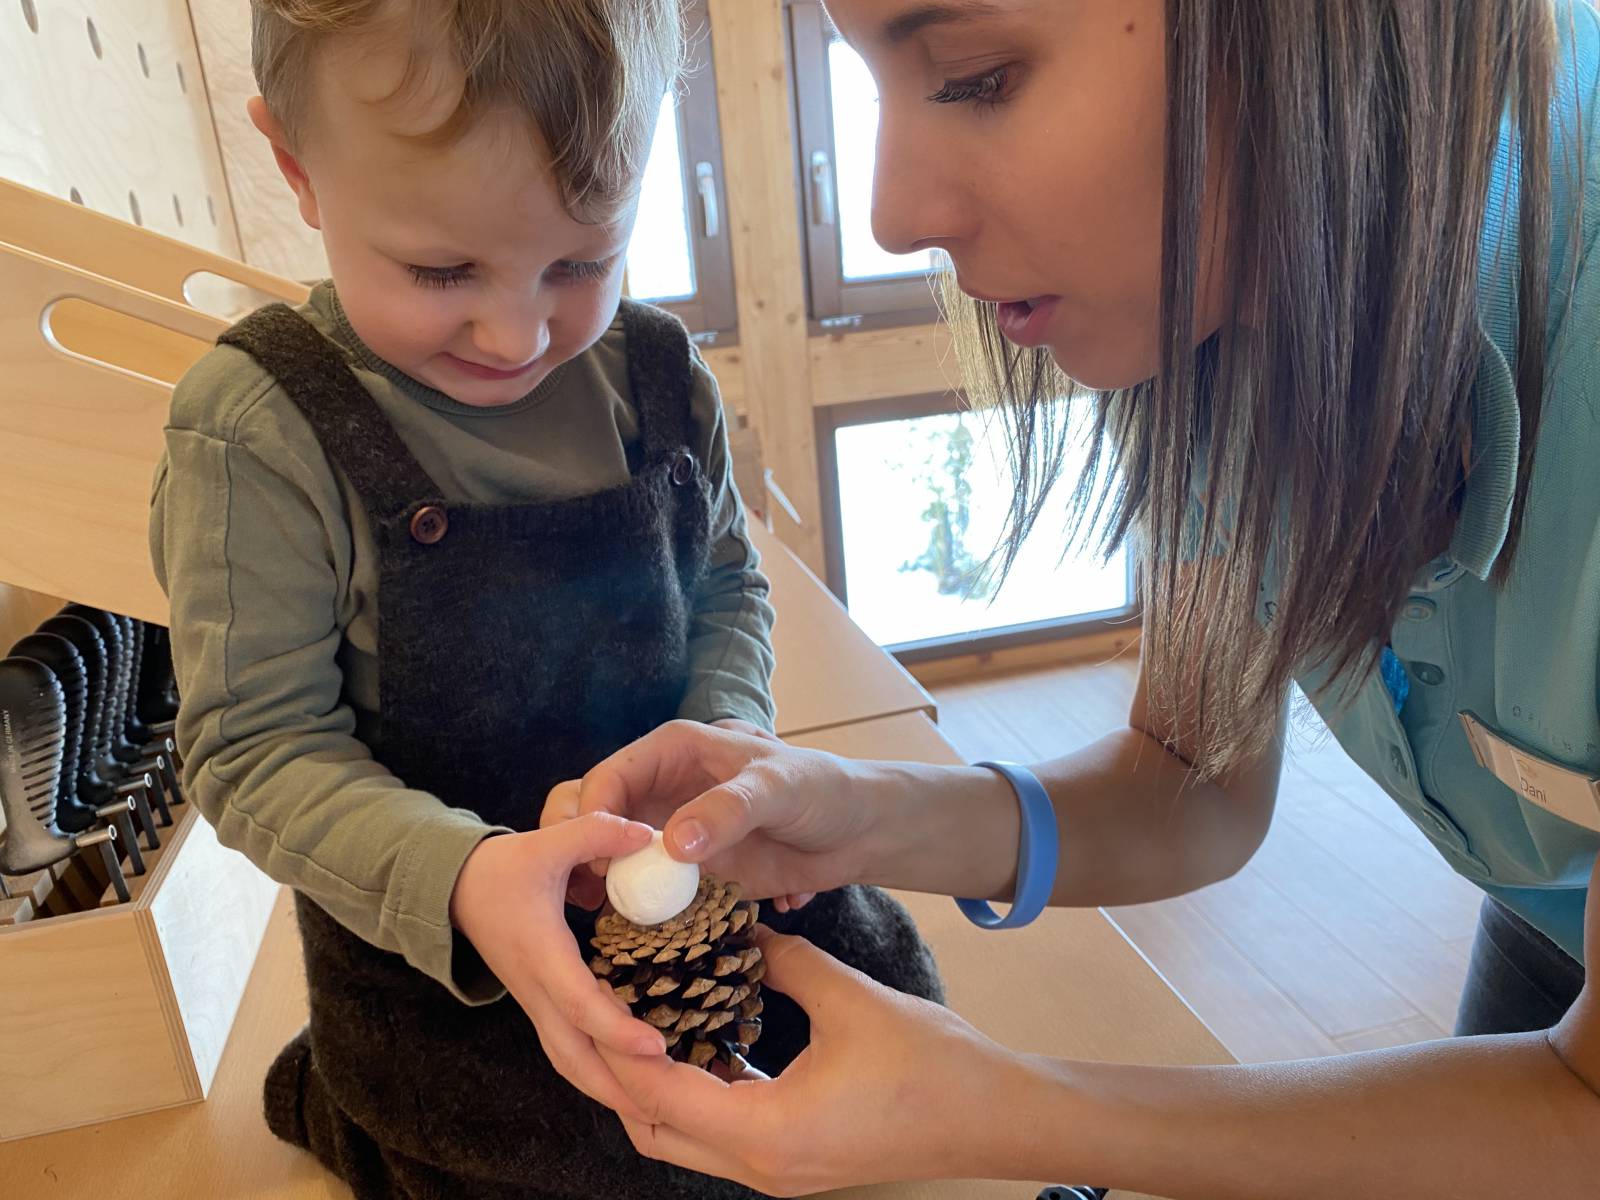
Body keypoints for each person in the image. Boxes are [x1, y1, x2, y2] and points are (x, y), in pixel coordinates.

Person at [544, 1, 1600, 1195]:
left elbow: (1583, 1116)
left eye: (976, 77)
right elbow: (1187, 784)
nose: (894, 216)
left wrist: (997, 1109)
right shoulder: (1222, 320)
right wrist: (857, 812)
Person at [149, 2, 939, 1196]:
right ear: (296, 169)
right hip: (452, 952)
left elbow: (726, 585)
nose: (518, 329)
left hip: (696, 894)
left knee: (897, 1039)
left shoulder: (659, 377)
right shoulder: (260, 430)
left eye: (581, 261)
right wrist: (468, 882)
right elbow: (254, 748)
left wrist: (729, 744)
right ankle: (338, 1095)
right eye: (439, 269)